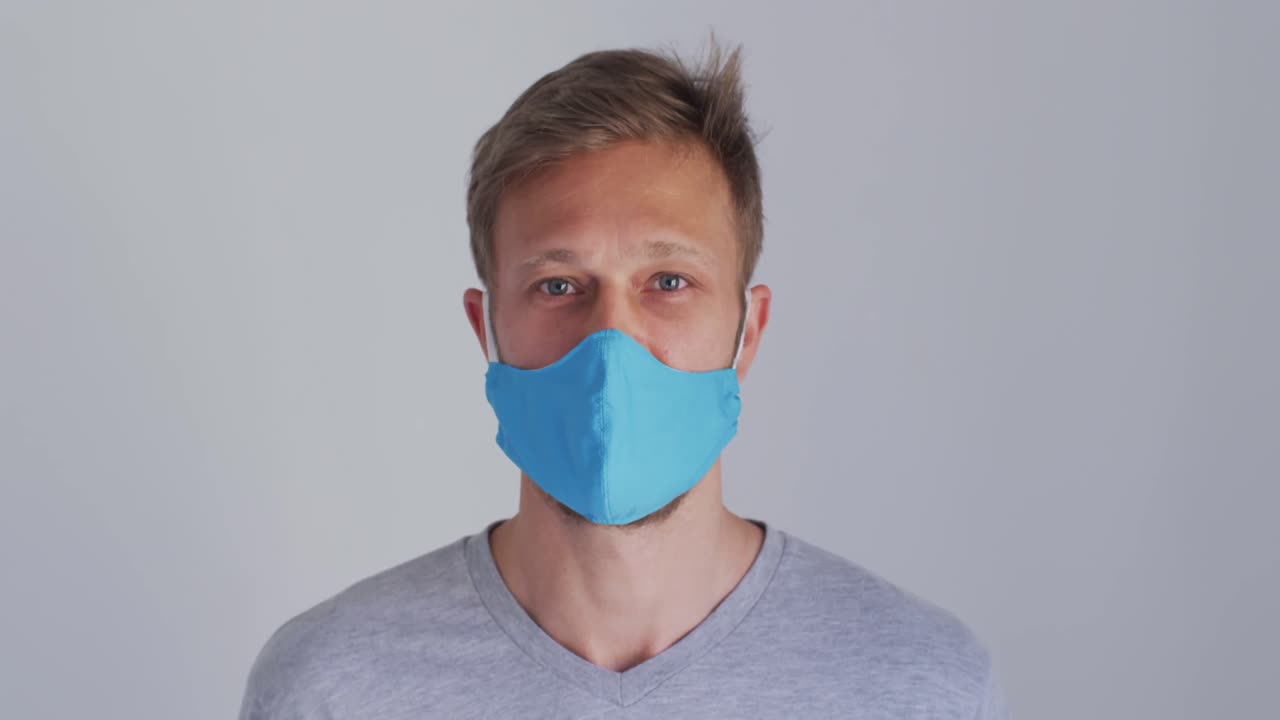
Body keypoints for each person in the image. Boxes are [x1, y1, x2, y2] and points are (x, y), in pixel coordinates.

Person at [239, 39, 1008, 719]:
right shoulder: (333, 688)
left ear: (749, 332)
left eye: (669, 282)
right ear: (486, 330)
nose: (612, 344)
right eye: (558, 285)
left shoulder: (922, 688)